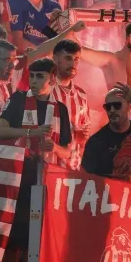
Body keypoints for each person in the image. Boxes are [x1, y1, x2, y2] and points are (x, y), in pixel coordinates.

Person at [0, 58, 71, 262]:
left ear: (52, 79)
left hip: (48, 178)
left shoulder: (61, 109)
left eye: (40, 76)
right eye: (32, 76)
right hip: (20, 175)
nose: (34, 81)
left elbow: (67, 151)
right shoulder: (18, 99)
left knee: (40, 237)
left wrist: (54, 148)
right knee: (14, 235)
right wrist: (31, 131)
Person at [50, 39, 91, 170]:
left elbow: (84, 136)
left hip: (73, 169)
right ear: (55, 59)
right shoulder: (45, 90)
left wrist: (82, 138)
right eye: (68, 58)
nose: (73, 63)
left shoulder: (82, 95)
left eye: (76, 59)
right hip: (48, 167)